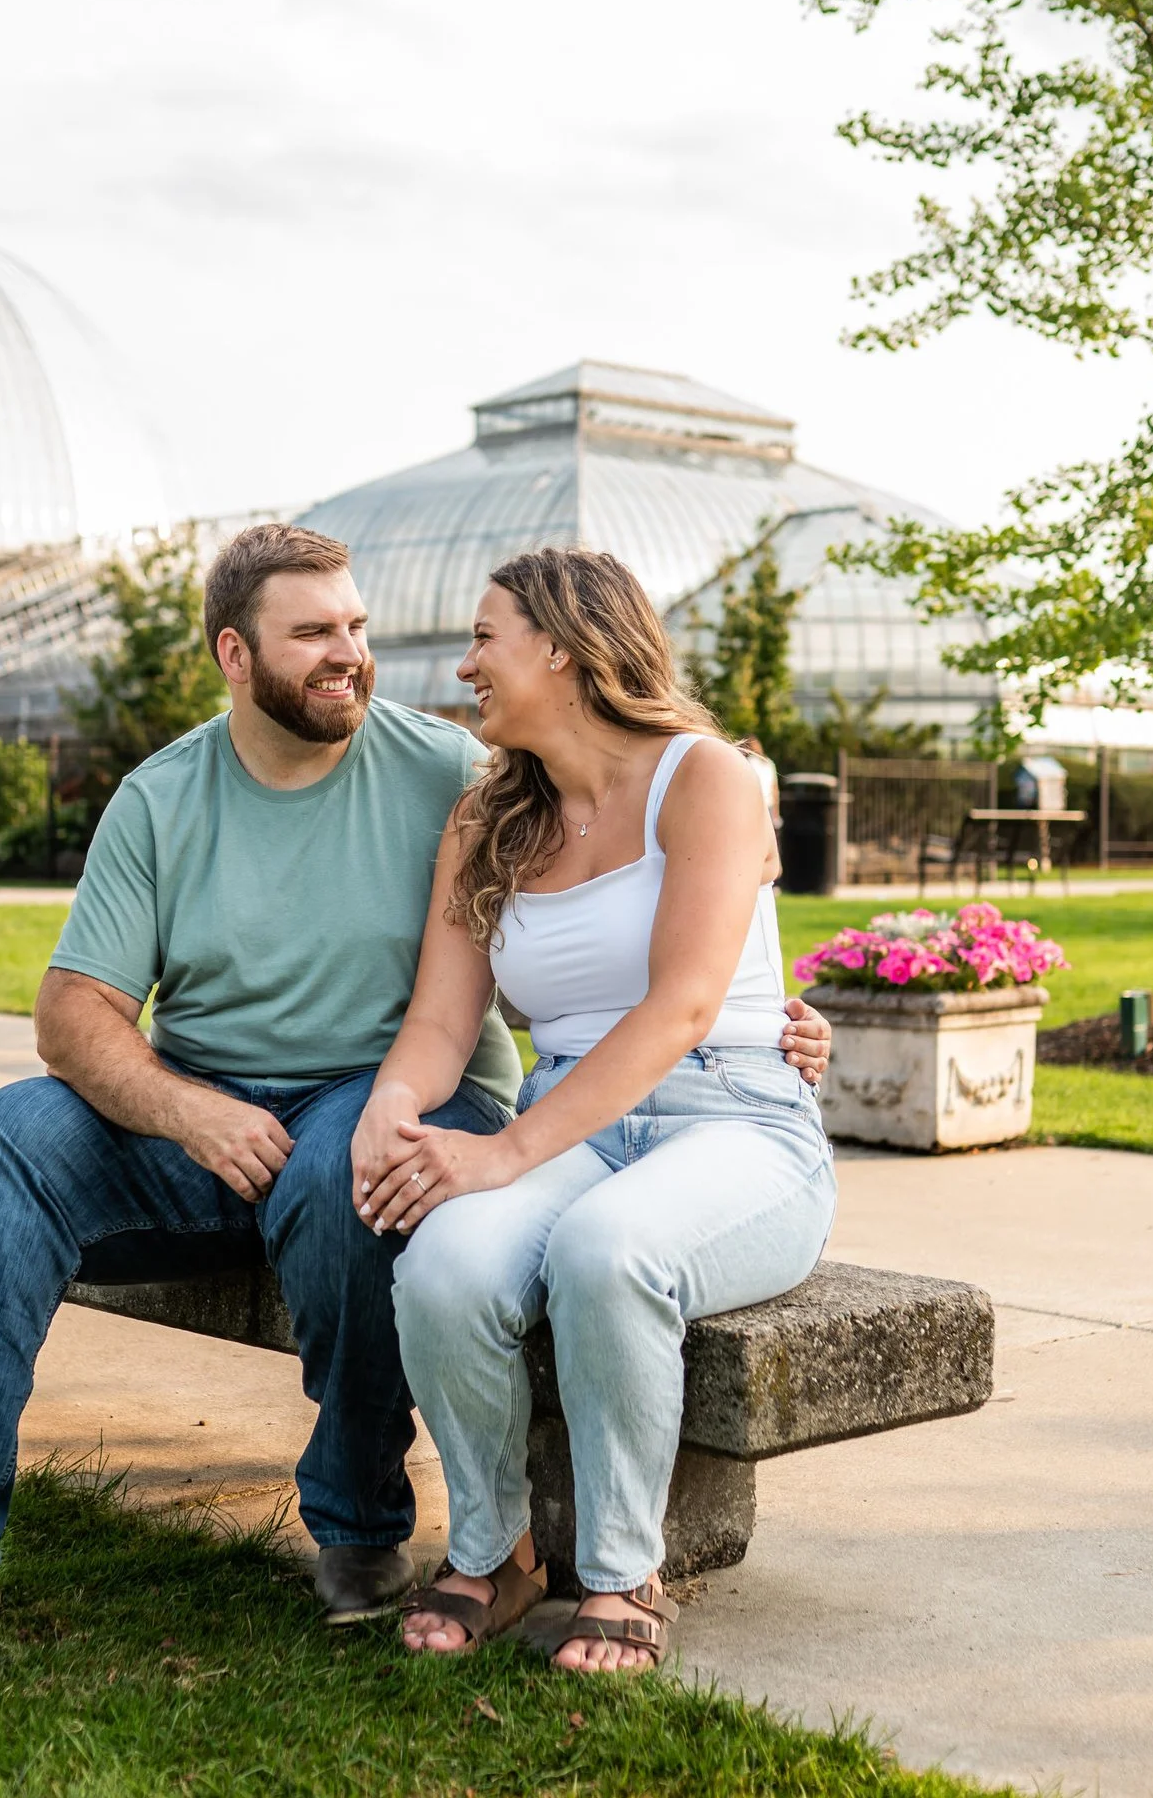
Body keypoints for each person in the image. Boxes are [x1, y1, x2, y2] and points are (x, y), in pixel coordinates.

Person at [0, 524, 834, 1655]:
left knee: (347, 1163)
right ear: (235, 655)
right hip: (210, 1112)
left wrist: (766, 1016)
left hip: (383, 1107)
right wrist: (188, 1110)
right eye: (313, 632)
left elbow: (668, 917)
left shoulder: (458, 769)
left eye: (356, 625)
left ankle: (359, 1525)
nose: (352, 651)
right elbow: (71, 1014)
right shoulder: (169, 796)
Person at [353, 547, 837, 1675]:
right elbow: (441, 1017)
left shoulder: (705, 777)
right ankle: (498, 1552)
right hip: (574, 1119)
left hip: (736, 1119)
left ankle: (623, 1574)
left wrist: (502, 1153)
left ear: (563, 649)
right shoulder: (486, 821)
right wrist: (392, 1104)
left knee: (607, 1250)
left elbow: (683, 1005)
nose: (465, 664)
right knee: (442, 1266)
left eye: (486, 637)